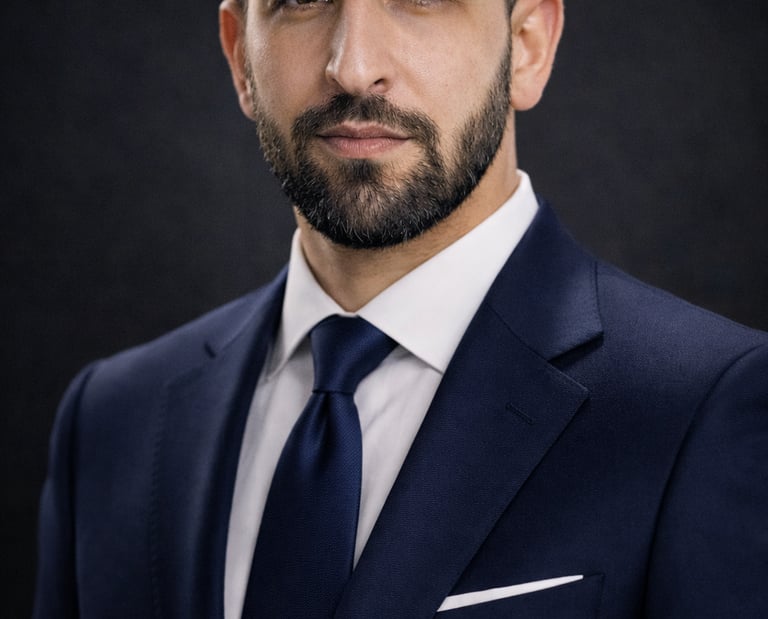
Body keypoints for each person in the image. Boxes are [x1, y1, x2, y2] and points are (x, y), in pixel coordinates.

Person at [34, 0, 768, 617]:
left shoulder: (704, 408)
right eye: (301, 1)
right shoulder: (112, 419)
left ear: (527, 45)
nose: (353, 67)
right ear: (239, 57)